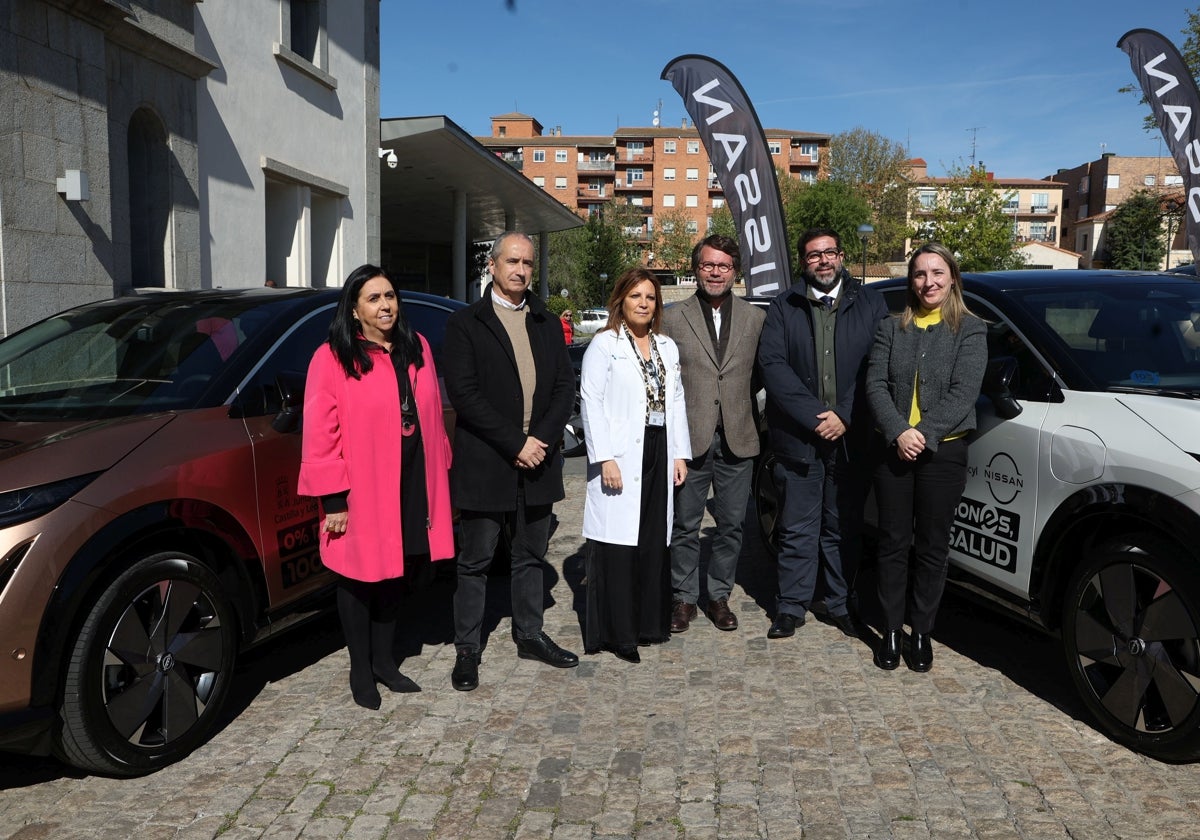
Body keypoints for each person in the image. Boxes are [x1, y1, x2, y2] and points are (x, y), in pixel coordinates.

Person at [298, 264, 454, 709]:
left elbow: (433, 411)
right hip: (359, 486)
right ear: (353, 309)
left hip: (410, 478)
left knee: (395, 573)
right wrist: (332, 499)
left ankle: (385, 662)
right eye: (373, 298)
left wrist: (440, 470)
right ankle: (360, 669)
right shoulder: (331, 357)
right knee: (357, 578)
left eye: (390, 296)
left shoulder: (417, 345)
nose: (385, 305)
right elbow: (320, 433)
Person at [443, 231, 579, 691]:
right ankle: (467, 650)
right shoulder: (467, 322)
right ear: (493, 266)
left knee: (530, 555)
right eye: (512, 261)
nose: (520, 270)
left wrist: (539, 439)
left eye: (527, 263)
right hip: (487, 461)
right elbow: (465, 394)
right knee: (475, 560)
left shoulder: (543, 319)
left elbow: (564, 386)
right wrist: (514, 443)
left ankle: (529, 633)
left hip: (538, 459)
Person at [757, 228, 888, 640]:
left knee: (842, 524)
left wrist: (844, 415)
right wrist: (817, 417)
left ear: (842, 256)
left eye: (830, 252)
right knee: (797, 525)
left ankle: (839, 602)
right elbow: (773, 368)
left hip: (851, 437)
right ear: (803, 262)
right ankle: (791, 606)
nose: (824, 261)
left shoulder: (871, 303)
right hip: (799, 435)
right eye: (814, 255)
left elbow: (876, 365)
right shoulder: (784, 306)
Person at [865, 242, 986, 672]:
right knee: (893, 544)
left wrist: (924, 432)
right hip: (893, 450)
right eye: (919, 273)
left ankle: (922, 632)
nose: (928, 282)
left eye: (937, 273)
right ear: (911, 280)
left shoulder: (970, 330)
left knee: (933, 549)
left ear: (952, 277)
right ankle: (892, 631)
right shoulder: (890, 327)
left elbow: (964, 391)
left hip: (944, 453)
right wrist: (899, 431)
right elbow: (875, 384)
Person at [580, 268, 690, 662]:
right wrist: (604, 456)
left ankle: (648, 624)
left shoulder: (666, 346)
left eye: (650, 297)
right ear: (620, 301)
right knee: (618, 544)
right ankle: (618, 633)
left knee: (651, 539)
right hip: (621, 453)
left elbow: (674, 401)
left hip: (660, 448)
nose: (644, 303)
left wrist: (680, 453)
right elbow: (590, 402)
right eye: (635, 296)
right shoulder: (604, 345)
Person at [661, 235, 764, 633]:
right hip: (689, 440)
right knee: (685, 524)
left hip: (739, 435)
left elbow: (760, 374)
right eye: (708, 265)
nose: (715, 272)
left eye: (723, 266)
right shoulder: (672, 318)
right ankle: (683, 598)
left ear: (735, 271)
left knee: (732, 524)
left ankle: (718, 595)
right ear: (696, 269)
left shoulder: (756, 319)